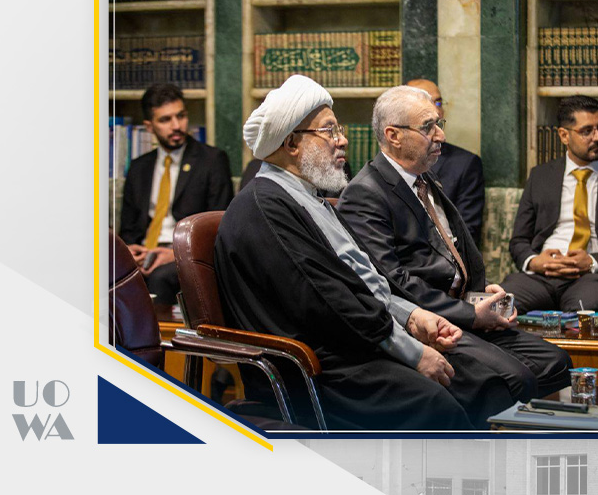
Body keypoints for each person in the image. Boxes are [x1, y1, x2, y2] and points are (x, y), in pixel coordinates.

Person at [214, 75, 514, 430]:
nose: (342, 140)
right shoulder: (266, 206)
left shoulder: (309, 198)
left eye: (338, 130)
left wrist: (412, 316)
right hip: (318, 368)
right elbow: (333, 303)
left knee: (483, 381)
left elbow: (364, 281)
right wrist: (413, 352)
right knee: (442, 401)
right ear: (292, 143)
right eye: (329, 131)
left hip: (355, 343)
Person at [338, 86, 572, 402]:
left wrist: (481, 294)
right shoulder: (365, 193)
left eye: (439, 124)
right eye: (427, 127)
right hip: (428, 325)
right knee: (515, 379)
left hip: (460, 309)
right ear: (394, 136)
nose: (441, 136)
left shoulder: (424, 178)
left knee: (557, 362)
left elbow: (452, 250)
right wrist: (471, 314)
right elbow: (394, 282)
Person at [501, 95, 598, 313]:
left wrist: (591, 261)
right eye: (587, 131)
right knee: (499, 306)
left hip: (594, 277)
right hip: (542, 276)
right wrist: (534, 261)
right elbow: (519, 240)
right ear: (564, 135)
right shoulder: (541, 176)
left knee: (582, 312)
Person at [120, 83, 233, 305]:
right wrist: (130, 251)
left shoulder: (212, 161)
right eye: (165, 120)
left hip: (185, 254)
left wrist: (175, 253)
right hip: (145, 253)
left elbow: (219, 227)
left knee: (159, 278)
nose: (176, 126)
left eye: (180, 116)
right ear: (149, 126)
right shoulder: (139, 167)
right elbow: (128, 229)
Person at [405, 79, 485, 245]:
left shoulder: (465, 165)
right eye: (427, 103)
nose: (436, 110)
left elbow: (467, 234)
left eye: (439, 102)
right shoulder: (387, 165)